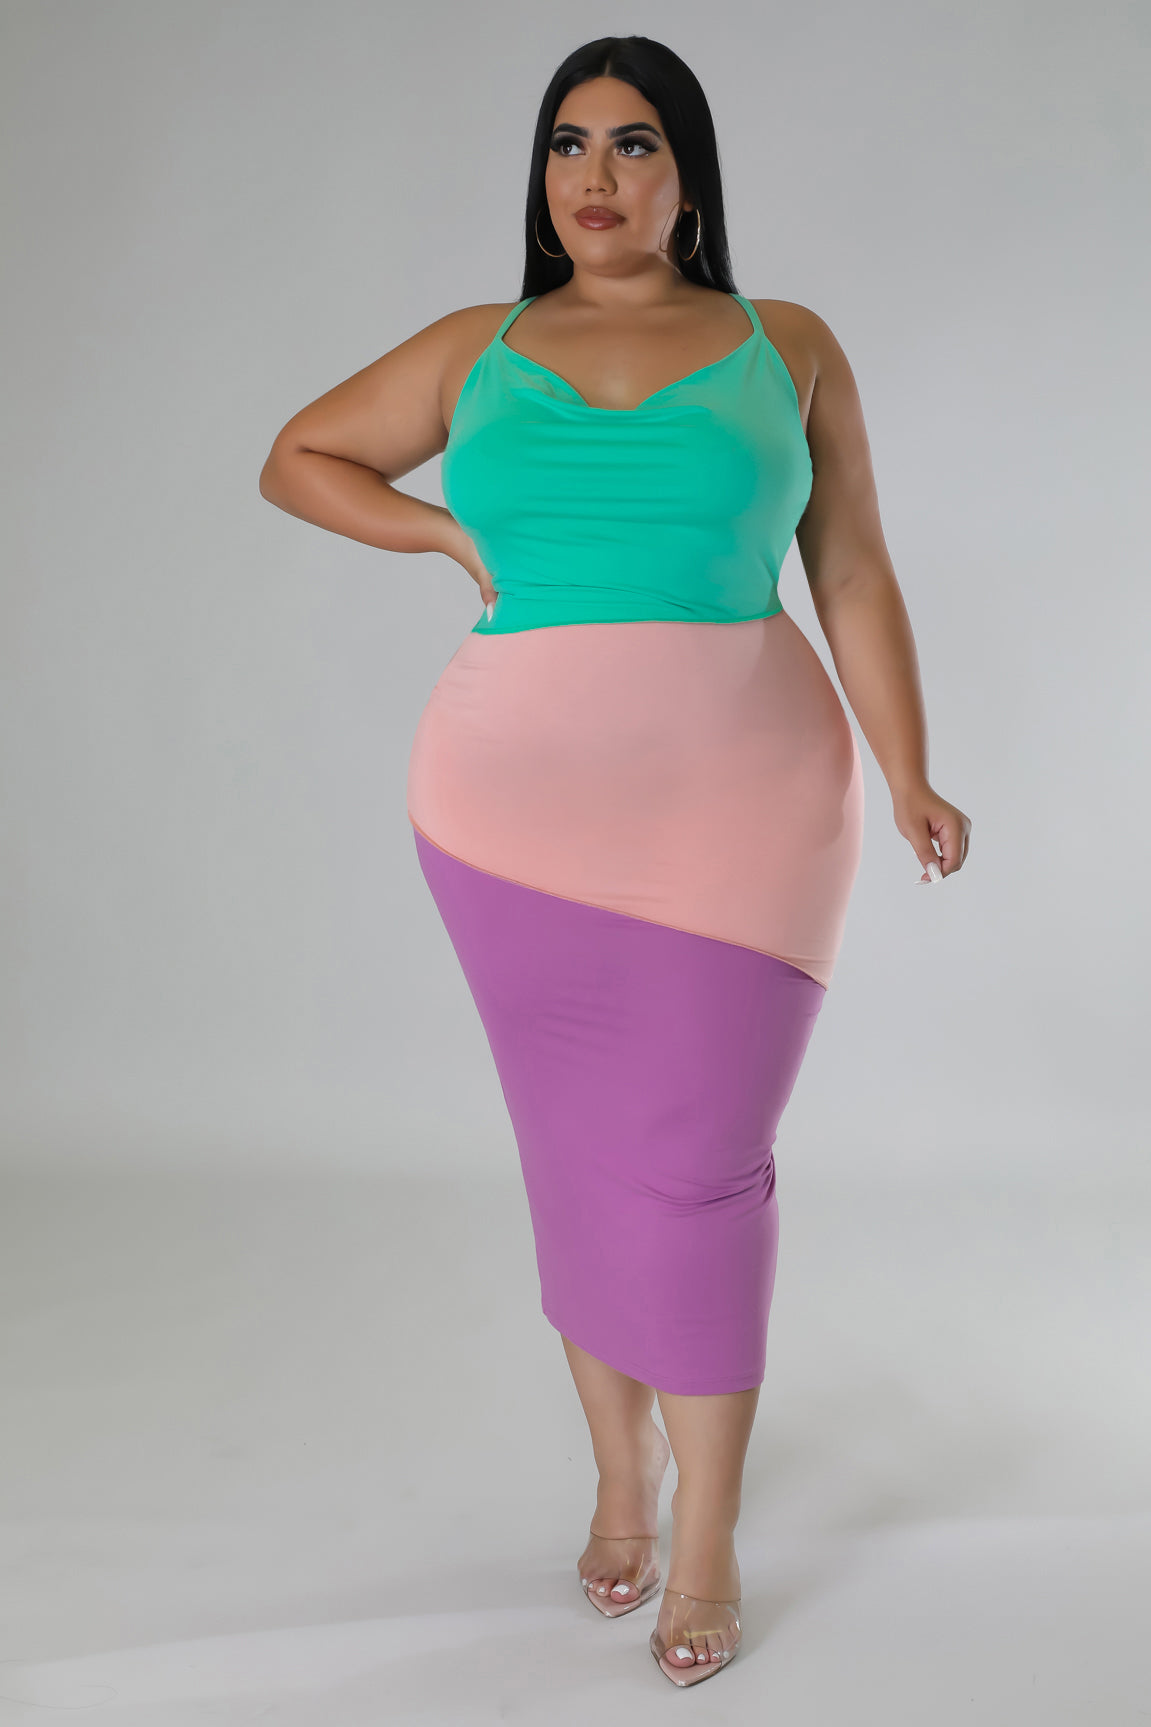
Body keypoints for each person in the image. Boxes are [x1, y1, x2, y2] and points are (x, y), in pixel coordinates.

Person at [259, 33, 971, 1690]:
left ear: (689, 177)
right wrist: (448, 533)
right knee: (574, 1159)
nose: (596, 175)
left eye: (635, 143)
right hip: (507, 821)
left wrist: (911, 770)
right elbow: (298, 455)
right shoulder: (480, 347)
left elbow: (851, 569)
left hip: (749, 808)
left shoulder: (788, 344)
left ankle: (706, 1529)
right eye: (568, 144)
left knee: (707, 1164)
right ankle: (620, 1476)